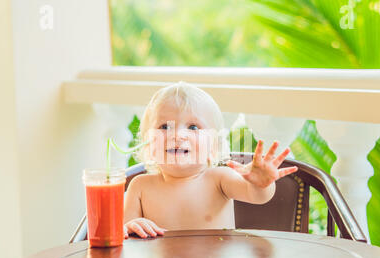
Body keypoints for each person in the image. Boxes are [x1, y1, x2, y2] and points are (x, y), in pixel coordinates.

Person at [123, 82, 298, 238]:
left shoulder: (219, 179)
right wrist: (130, 226)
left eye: (193, 127)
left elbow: (257, 196)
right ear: (148, 144)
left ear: (213, 146)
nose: (177, 135)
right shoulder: (140, 187)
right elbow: (125, 234)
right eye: (164, 126)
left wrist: (260, 184)